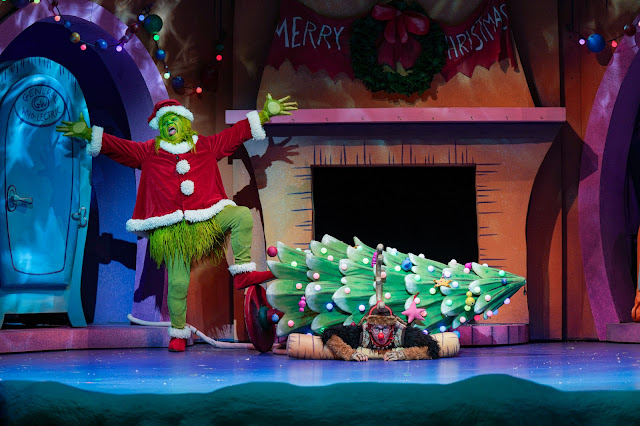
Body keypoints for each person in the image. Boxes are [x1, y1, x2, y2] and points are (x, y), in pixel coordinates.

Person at [57, 94, 297, 352]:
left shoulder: (205, 145)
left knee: (240, 216)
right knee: (178, 282)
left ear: (185, 122)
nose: (170, 123)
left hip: (207, 219)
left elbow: (235, 134)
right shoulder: (149, 151)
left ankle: (242, 273)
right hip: (173, 230)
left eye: (174, 118)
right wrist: (88, 134)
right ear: (160, 127)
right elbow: (119, 147)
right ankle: (179, 333)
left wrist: (264, 115)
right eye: (165, 121)